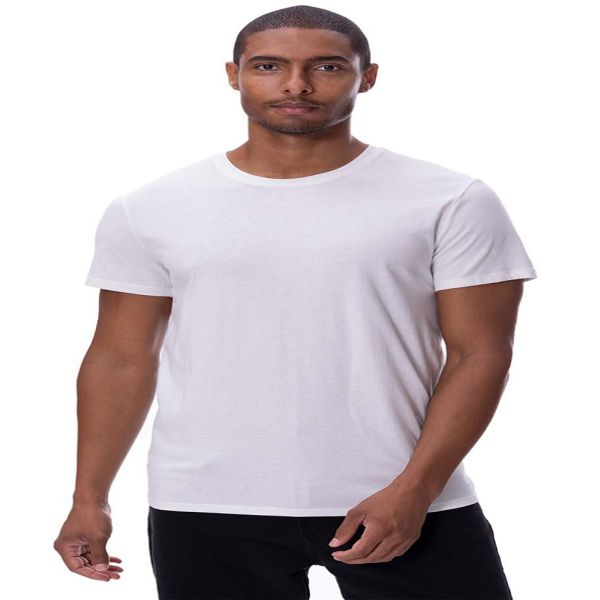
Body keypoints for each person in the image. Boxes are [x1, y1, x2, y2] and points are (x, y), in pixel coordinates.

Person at [53, 5, 537, 599]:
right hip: (208, 502)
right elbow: (121, 358)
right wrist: (90, 499)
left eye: (327, 66)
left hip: (404, 498)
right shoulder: (151, 208)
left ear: (367, 76)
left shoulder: (450, 199)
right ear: (233, 75)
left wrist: (415, 489)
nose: (296, 85)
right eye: (268, 66)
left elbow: (480, 354)